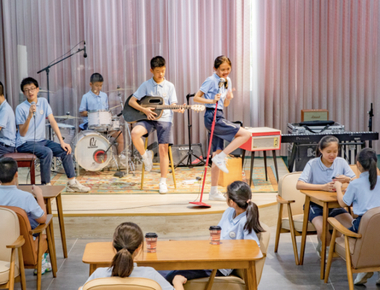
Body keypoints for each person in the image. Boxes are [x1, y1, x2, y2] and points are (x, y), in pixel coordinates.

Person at [164, 181, 264, 282]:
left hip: (219, 266)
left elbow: (254, 248)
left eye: (226, 195)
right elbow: (216, 233)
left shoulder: (244, 221)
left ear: (232, 202)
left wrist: (230, 251)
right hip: (210, 256)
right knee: (172, 265)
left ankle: (174, 285)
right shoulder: (229, 211)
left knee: (171, 276)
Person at [73, 222, 187, 290]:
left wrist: (81, 289)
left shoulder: (98, 275)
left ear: (113, 245)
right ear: (139, 247)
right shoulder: (150, 275)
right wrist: (177, 281)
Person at [15, 77, 90, 192]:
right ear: (23, 92)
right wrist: (29, 116)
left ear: (37, 89)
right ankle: (46, 186)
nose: (30, 92)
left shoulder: (43, 102)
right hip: (24, 143)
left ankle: (72, 183)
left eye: (32, 89)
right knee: (47, 152)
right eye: (27, 90)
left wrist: (62, 142)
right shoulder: (20, 108)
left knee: (65, 150)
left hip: (41, 141)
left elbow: (52, 121)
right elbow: (22, 133)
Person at [0, 157, 52, 274]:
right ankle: (41, 260)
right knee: (34, 222)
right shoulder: (26, 197)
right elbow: (43, 218)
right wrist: (39, 195)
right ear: (16, 174)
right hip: (20, 243)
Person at [194, 56, 251, 201]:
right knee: (246, 134)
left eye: (228, 69)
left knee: (216, 154)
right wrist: (211, 100)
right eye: (222, 69)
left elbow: (224, 104)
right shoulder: (210, 80)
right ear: (215, 69)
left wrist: (229, 98)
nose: (225, 72)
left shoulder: (227, 81)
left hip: (219, 114)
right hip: (211, 116)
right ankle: (222, 157)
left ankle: (213, 192)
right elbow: (196, 98)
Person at [335, 148, 380, 285]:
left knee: (349, 234)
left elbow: (343, 203)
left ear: (358, 164)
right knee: (376, 239)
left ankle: (363, 266)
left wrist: (338, 187)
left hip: (364, 222)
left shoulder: (355, 184)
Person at [129, 56, 183, 194]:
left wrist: (178, 109)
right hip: (148, 118)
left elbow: (173, 104)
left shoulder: (170, 86)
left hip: (164, 119)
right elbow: (132, 101)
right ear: (151, 70)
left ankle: (163, 182)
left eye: (163, 71)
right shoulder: (146, 85)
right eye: (158, 71)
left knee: (163, 149)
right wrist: (144, 110)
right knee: (134, 133)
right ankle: (146, 156)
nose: (161, 74)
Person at [295, 135, 355, 253]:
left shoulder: (341, 162)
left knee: (351, 226)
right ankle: (325, 250)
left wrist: (348, 179)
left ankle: (337, 250)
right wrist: (323, 187)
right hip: (315, 205)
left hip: (335, 204)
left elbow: (356, 181)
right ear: (321, 150)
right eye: (328, 152)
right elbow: (299, 184)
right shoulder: (312, 163)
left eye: (335, 151)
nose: (332, 155)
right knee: (322, 229)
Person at [79, 73, 123, 153]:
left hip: (104, 125)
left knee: (119, 134)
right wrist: (93, 114)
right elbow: (82, 112)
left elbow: (106, 110)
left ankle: (120, 156)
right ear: (91, 84)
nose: (99, 87)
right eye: (96, 85)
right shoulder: (86, 97)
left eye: (100, 85)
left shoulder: (104, 95)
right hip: (91, 125)